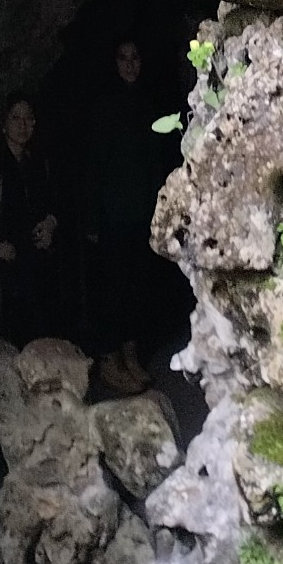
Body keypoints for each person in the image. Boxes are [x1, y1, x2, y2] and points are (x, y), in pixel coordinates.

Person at [85, 39, 172, 395]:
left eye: (136, 57)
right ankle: (109, 359)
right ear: (113, 62)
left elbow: (156, 161)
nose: (130, 64)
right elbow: (91, 166)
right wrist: (91, 219)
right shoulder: (103, 107)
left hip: (141, 213)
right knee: (112, 288)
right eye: (123, 58)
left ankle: (130, 354)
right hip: (112, 215)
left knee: (137, 286)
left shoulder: (147, 104)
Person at [0, 95, 60, 346]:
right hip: (4, 267)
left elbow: (53, 205)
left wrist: (50, 225)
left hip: (34, 263)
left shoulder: (37, 163)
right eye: (16, 118)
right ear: (4, 124)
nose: (23, 126)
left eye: (28, 119)